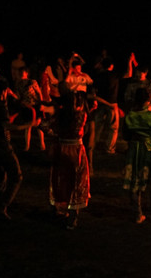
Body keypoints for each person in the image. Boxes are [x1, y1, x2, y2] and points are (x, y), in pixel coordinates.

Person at [0, 79, 31, 220]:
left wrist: (12, 116)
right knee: (16, 175)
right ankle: (1, 206)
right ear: (3, 92)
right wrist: (28, 125)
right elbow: (6, 126)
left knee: (0, 176)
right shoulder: (0, 106)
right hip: (2, 146)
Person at [122, 88, 151, 224]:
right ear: (148, 101)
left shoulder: (129, 116)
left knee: (135, 183)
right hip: (150, 150)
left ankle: (138, 215)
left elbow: (125, 135)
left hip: (134, 151)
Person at [48, 87, 91, 229]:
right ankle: (72, 218)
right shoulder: (80, 115)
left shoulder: (60, 115)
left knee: (60, 180)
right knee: (76, 182)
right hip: (75, 150)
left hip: (61, 149)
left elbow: (45, 125)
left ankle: (58, 211)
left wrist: (53, 133)